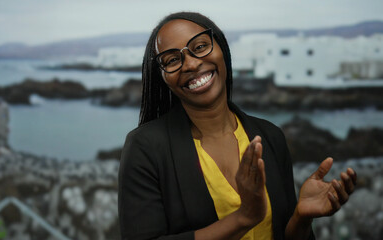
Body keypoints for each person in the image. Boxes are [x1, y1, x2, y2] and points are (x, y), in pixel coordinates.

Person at [118, 12, 356, 240]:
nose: (190, 64)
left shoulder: (270, 136)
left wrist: (301, 218)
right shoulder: (145, 147)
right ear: (162, 77)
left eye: (200, 47)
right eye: (172, 59)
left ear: (222, 48)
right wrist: (244, 218)